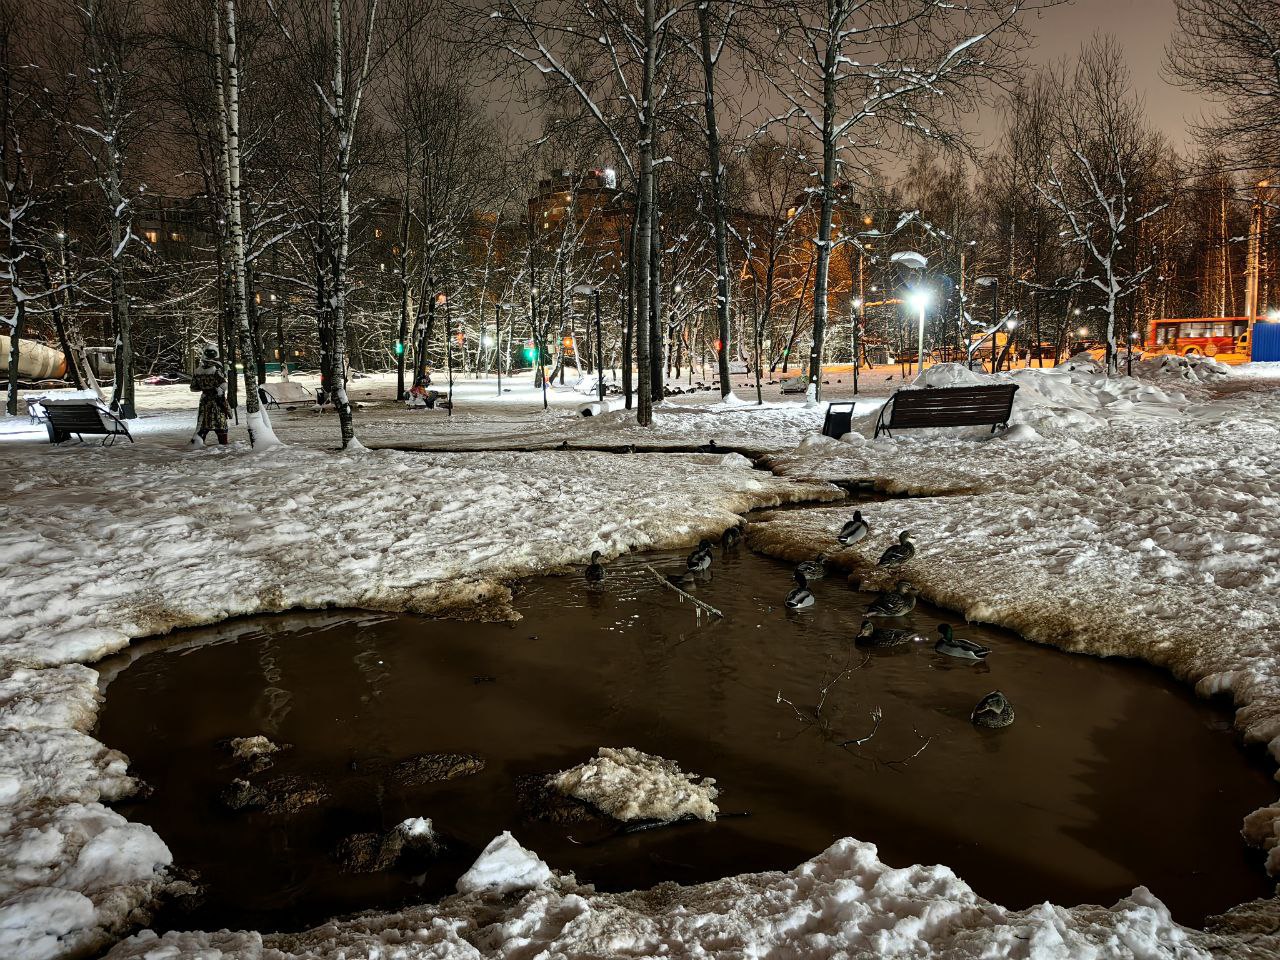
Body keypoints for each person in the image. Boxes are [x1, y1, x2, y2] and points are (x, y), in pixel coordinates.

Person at [190, 346, 231, 444]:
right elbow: (223, 386)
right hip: (217, 401)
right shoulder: (216, 369)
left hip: (205, 401)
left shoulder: (198, 370)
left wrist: (204, 385)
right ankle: (223, 445)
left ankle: (198, 443)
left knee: (203, 425)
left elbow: (193, 388)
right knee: (221, 426)